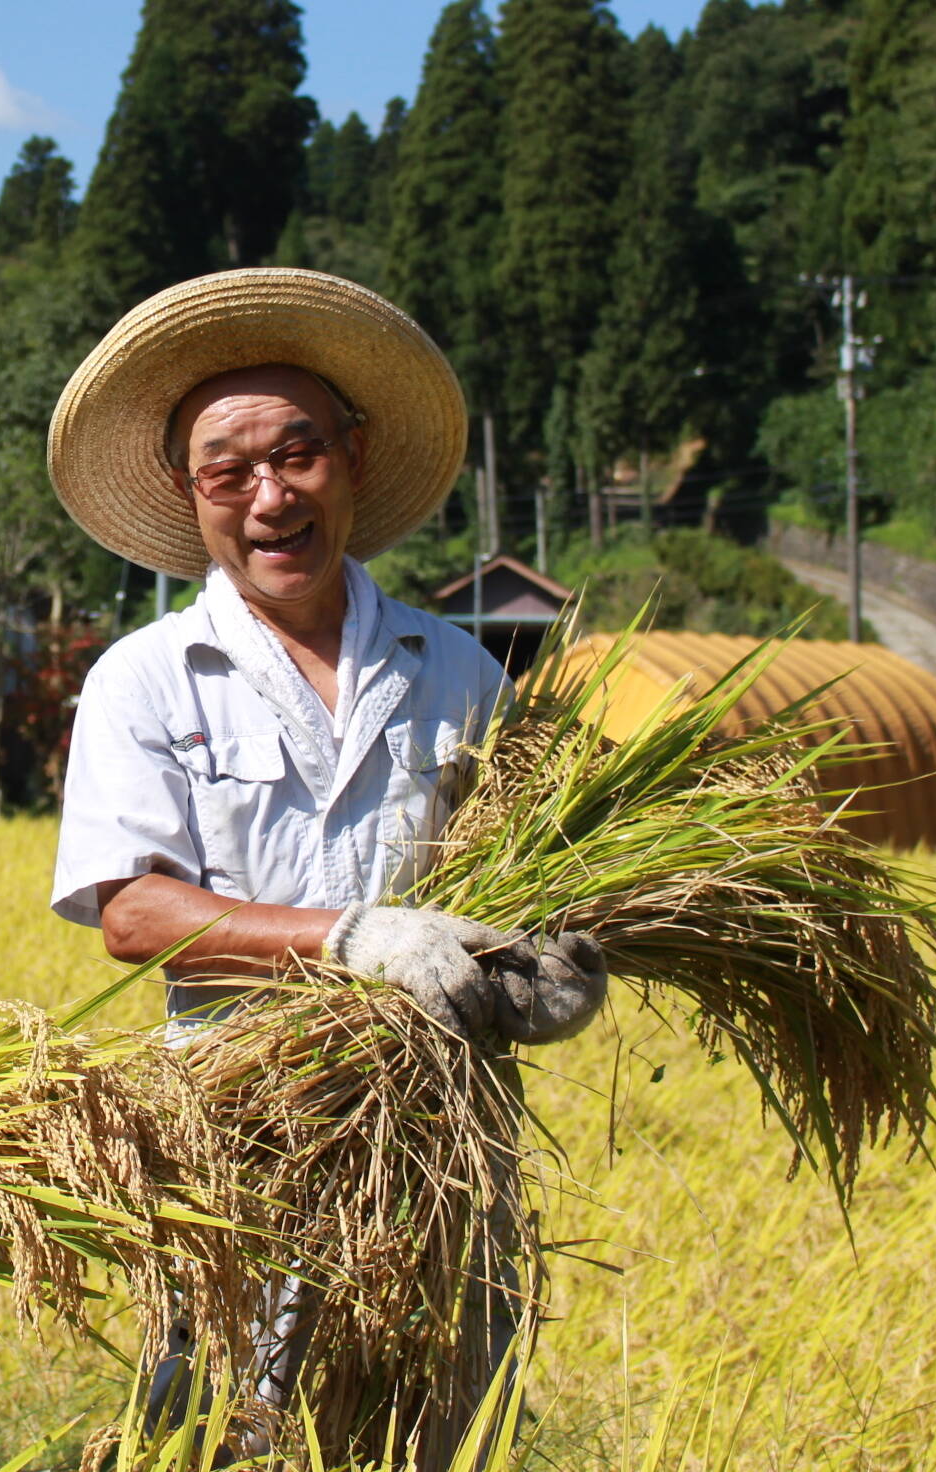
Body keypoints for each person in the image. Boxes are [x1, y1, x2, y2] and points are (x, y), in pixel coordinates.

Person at [41, 268, 609, 1430]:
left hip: (439, 1153)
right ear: (188, 494)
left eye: (296, 455)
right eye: (228, 471)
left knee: (434, 1428)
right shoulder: (143, 681)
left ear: (351, 455)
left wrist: (549, 973)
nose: (268, 496)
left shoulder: (460, 673)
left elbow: (523, 888)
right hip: (238, 1148)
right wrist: (355, 938)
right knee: (219, 1430)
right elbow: (133, 918)